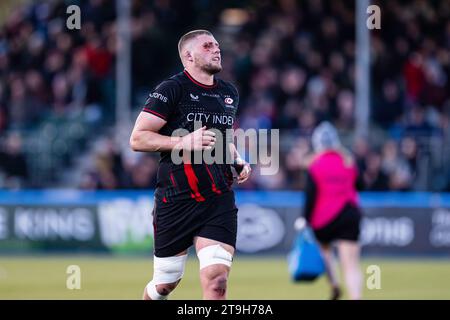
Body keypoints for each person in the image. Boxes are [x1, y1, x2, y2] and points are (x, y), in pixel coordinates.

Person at [129, 30, 251, 300]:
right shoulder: (171, 89)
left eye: (217, 45)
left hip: (217, 198)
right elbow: (138, 138)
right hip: (176, 200)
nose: (216, 50)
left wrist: (237, 159)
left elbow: (223, 137)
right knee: (165, 284)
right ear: (189, 56)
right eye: (208, 46)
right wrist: (183, 142)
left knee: (217, 280)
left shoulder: (228, 93)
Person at [295, 122, 363, 300]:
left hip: (324, 219)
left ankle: (334, 284)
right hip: (349, 214)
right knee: (351, 264)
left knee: (325, 251)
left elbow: (310, 196)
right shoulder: (348, 161)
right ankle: (356, 297)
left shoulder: (314, 165)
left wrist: (305, 219)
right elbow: (360, 185)